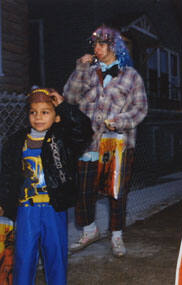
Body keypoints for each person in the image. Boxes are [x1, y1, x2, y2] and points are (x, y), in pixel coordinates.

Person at [64, 25, 148, 257]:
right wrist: (80, 67)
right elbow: (70, 96)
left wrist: (119, 120)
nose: (97, 49)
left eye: (102, 44)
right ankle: (90, 230)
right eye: (95, 44)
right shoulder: (87, 71)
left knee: (117, 192)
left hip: (118, 145)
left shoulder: (131, 76)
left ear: (115, 47)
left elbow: (140, 109)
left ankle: (117, 235)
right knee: (83, 191)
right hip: (88, 144)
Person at [0, 88, 93, 284]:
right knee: (24, 258)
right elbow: (6, 174)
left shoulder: (63, 140)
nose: (38, 117)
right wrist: (3, 201)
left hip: (54, 208)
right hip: (26, 210)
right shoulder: (17, 142)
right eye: (33, 112)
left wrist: (64, 106)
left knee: (56, 256)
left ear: (56, 117)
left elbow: (84, 129)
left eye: (45, 112)